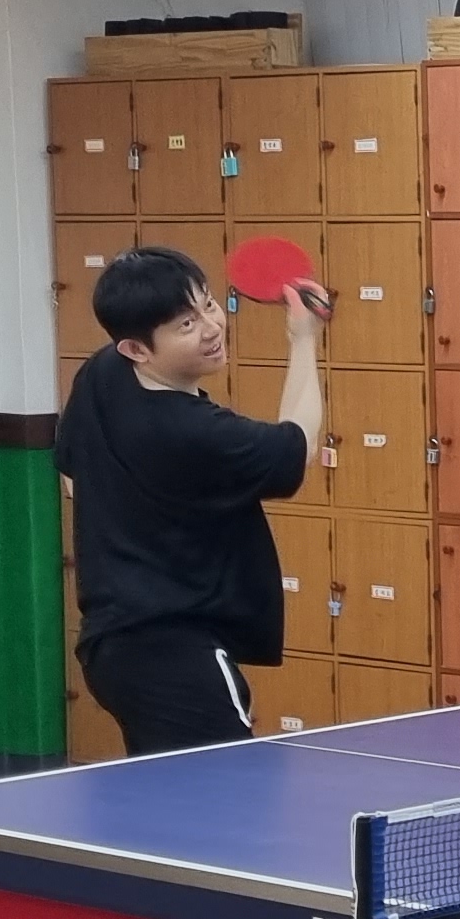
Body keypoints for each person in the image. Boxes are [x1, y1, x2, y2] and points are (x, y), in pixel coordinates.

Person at [61, 245, 323, 753]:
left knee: (169, 794)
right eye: (186, 325)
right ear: (137, 349)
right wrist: (303, 339)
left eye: (207, 304)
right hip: (175, 657)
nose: (211, 327)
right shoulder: (195, 432)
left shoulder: (102, 374)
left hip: (111, 647)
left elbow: (73, 478)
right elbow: (301, 444)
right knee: (226, 792)